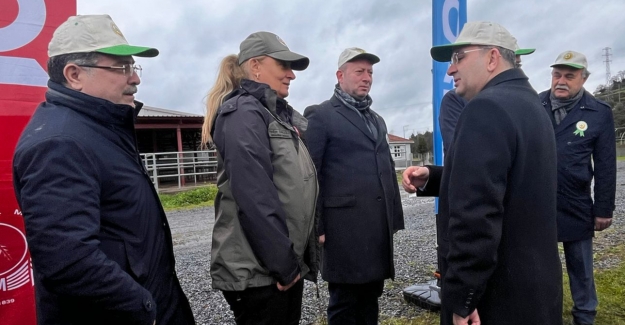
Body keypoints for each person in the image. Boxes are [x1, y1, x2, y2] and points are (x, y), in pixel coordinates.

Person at [12, 15, 195, 325]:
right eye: (121, 67)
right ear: (74, 74)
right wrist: (144, 307)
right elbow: (68, 261)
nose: (134, 78)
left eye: (133, 67)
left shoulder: (100, 128)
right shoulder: (60, 143)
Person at [402, 21, 562, 325]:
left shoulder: (485, 108)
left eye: (459, 57)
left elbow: (476, 215)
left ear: (492, 58)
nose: (450, 70)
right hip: (534, 288)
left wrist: (463, 298)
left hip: (498, 296)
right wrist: (434, 177)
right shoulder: (531, 104)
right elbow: (512, 181)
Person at [202, 31, 318, 325]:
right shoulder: (243, 112)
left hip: (276, 267)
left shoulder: (273, 114)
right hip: (259, 273)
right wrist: (285, 267)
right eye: (283, 65)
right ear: (255, 66)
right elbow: (255, 198)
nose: (291, 74)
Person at [303, 47, 404, 325]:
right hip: (342, 229)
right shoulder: (321, 116)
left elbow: (386, 168)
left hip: (375, 228)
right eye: (359, 71)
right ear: (340, 75)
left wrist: (393, 217)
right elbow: (311, 175)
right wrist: (317, 227)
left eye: (370, 72)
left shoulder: (376, 120)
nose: (367, 77)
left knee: (371, 297)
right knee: (346, 303)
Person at [539, 50, 616, 325]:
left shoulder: (598, 113)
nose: (561, 81)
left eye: (569, 76)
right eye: (557, 74)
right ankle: (543, 313)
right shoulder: (534, 106)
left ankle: (584, 315)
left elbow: (606, 165)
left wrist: (603, 208)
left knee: (580, 266)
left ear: (583, 78)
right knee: (539, 265)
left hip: (576, 201)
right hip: (538, 202)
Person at [440, 46, 535, 153]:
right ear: (493, 59)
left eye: (517, 65)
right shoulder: (456, 99)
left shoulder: (530, 102)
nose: (515, 71)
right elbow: (462, 156)